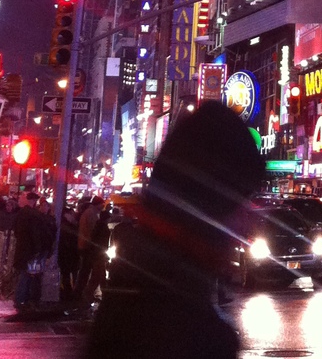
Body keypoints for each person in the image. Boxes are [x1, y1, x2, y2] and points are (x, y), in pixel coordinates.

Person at [85, 101, 264, 359]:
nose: (246, 222)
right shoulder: (192, 333)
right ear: (209, 207)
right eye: (240, 202)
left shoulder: (131, 289)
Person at [12, 192, 54, 312]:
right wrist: (37, 249)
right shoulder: (34, 215)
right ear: (35, 201)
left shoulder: (21, 213)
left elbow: (16, 230)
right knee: (30, 275)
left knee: (25, 274)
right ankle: (23, 299)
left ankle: (20, 299)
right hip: (31, 250)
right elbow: (36, 234)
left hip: (22, 248)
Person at [76, 197, 104, 301]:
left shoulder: (89, 212)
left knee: (86, 270)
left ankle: (80, 292)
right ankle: (81, 293)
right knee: (87, 270)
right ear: (98, 204)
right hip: (87, 246)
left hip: (84, 244)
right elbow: (93, 230)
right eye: (102, 204)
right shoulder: (91, 213)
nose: (103, 206)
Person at [57, 202, 80, 302]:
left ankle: (68, 291)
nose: (73, 215)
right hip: (68, 253)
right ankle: (68, 292)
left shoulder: (66, 224)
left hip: (67, 253)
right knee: (67, 273)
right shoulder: (67, 226)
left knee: (66, 273)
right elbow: (70, 239)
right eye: (71, 214)